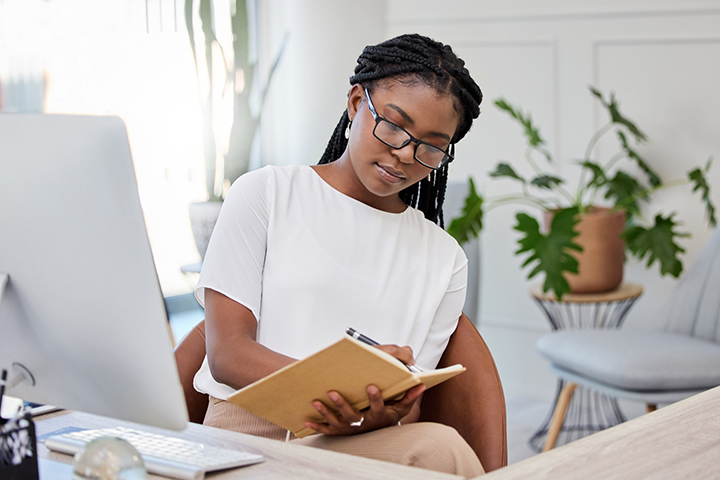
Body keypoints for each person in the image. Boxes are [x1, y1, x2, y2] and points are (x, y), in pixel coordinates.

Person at [193, 33, 485, 477]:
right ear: (355, 103)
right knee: (441, 451)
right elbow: (228, 354)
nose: (404, 155)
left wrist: (381, 413)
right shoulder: (267, 194)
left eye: (430, 146)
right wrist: (332, 387)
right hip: (246, 440)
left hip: (357, 444)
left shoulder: (445, 258)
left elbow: (411, 402)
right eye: (392, 125)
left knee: (437, 447)